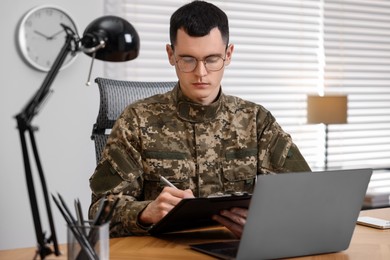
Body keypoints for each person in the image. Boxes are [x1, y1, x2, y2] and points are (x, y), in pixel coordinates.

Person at [88, 0, 311, 238]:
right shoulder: (137, 120)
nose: (201, 73)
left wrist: (264, 222)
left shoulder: (256, 121)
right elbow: (99, 213)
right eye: (188, 59)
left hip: (236, 249)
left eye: (212, 59)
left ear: (228, 54)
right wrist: (145, 212)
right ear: (171, 55)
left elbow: (305, 197)